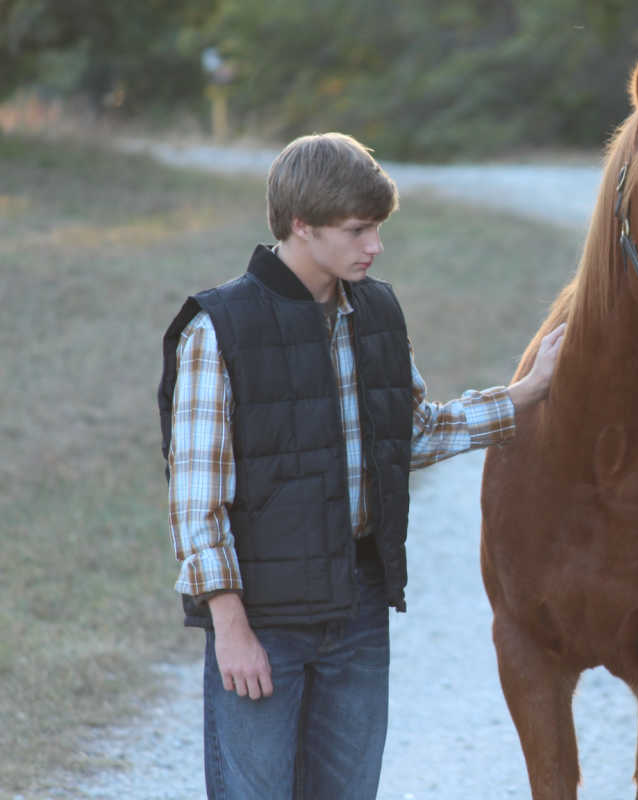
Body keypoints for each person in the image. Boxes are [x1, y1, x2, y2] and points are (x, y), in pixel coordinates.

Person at [157, 132, 565, 799]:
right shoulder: (219, 329)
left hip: (358, 607)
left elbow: (408, 437)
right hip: (264, 620)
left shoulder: (375, 311)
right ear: (301, 225)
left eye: (377, 227)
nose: (374, 245)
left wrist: (524, 395)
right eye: (357, 230)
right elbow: (197, 501)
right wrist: (229, 627)